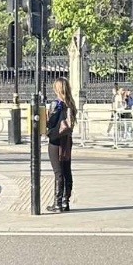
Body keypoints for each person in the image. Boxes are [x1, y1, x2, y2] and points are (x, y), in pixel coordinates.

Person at [45, 77, 77, 212]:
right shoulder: (71, 104)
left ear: (57, 89)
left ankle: (57, 203)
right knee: (66, 170)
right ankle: (65, 201)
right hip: (67, 140)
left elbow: (49, 123)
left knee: (58, 172)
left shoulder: (56, 104)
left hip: (56, 140)